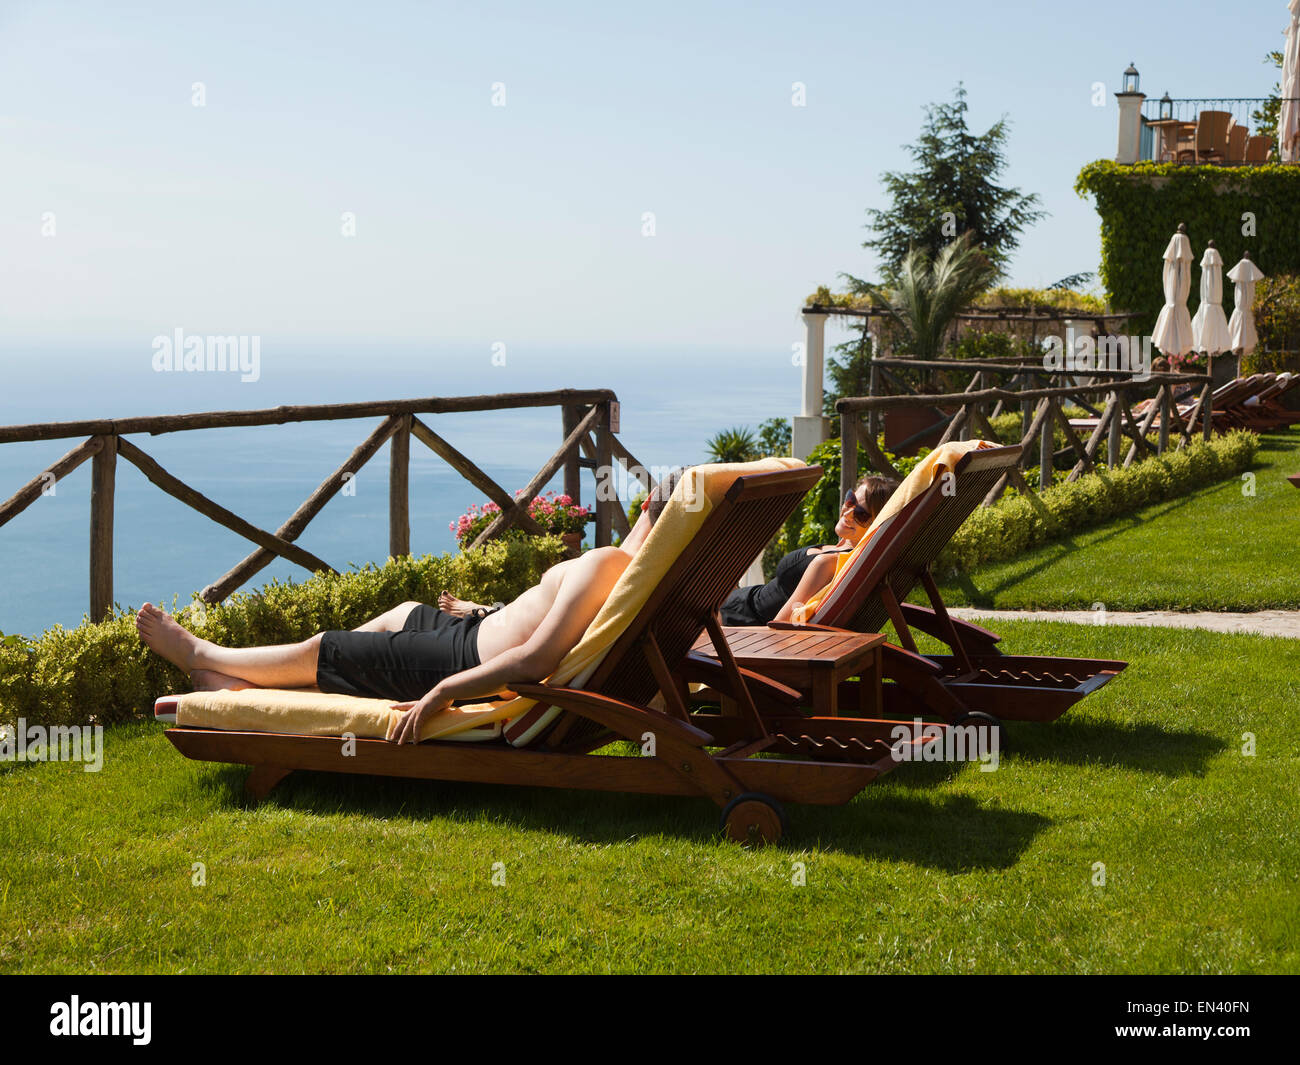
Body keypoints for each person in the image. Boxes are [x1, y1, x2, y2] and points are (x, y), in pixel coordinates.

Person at [137, 471, 684, 744]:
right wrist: (486, 610)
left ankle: (201, 653)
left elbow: (536, 662)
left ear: (645, 509)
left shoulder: (608, 563)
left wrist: (442, 691)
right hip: (476, 633)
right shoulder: (636, 573)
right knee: (400, 613)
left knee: (324, 646)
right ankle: (258, 692)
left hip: (461, 665)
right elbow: (549, 621)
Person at [719, 474, 898, 626]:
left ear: (877, 525)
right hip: (738, 600)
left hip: (734, 619)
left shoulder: (826, 564)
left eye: (861, 514)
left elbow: (781, 626)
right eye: (850, 500)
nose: (847, 513)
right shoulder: (843, 549)